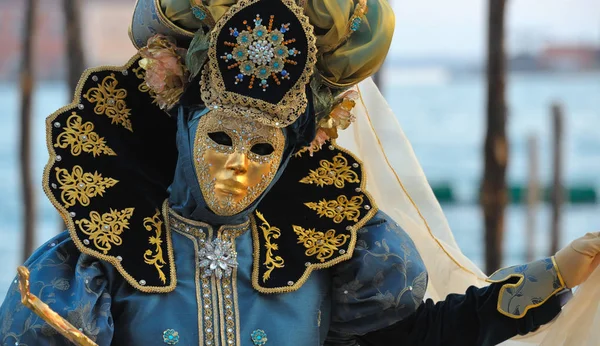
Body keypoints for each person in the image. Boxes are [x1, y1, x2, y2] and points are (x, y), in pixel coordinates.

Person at [1, 0, 599, 345]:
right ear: (184, 130)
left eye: (262, 150)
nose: (238, 166)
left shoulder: (336, 257)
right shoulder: (97, 267)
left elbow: (419, 341)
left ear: (291, 154)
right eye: (219, 138)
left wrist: (553, 274)